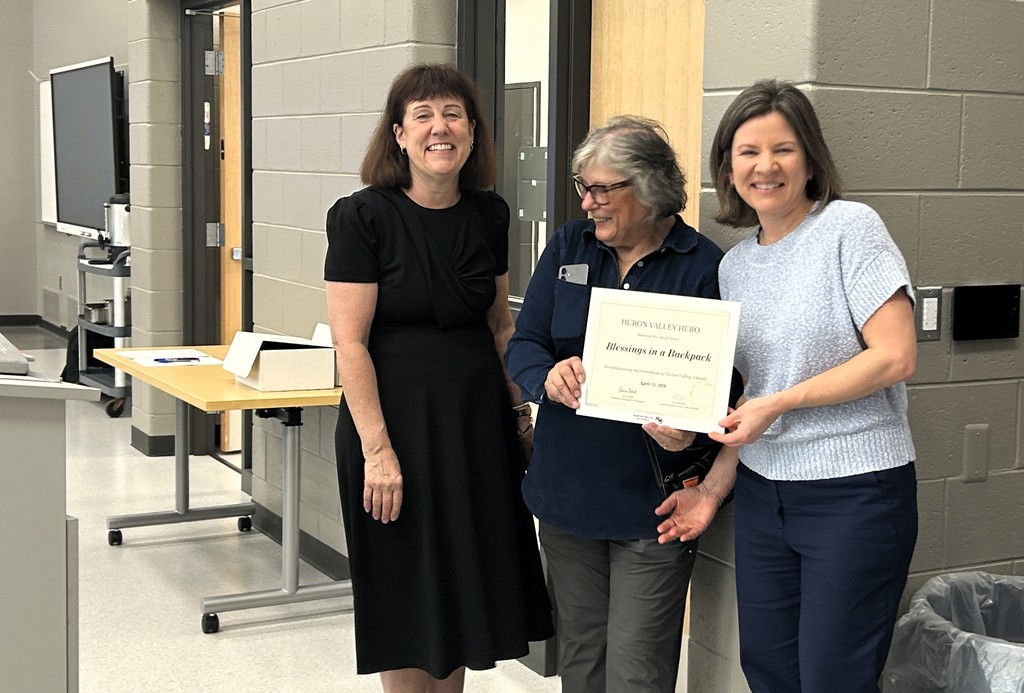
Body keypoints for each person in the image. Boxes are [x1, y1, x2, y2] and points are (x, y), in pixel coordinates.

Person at [656, 79, 919, 693]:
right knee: (770, 670)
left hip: (854, 494)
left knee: (835, 677)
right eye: (748, 152)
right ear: (728, 166)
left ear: (810, 160)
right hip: (764, 495)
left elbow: (896, 356)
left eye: (784, 150)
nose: (765, 166)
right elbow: (755, 402)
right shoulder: (735, 265)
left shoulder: (850, 229)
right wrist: (713, 490)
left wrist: (782, 401)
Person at [323, 63, 553, 693]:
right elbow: (351, 344)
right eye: (422, 115)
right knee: (406, 594)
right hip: (393, 431)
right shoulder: (360, 217)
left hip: (474, 425)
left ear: (473, 134)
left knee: (458, 593)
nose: (439, 128)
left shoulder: (490, 215)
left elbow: (500, 325)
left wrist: (520, 411)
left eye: (453, 114)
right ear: (398, 133)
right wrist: (378, 451)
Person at [506, 115, 734, 693]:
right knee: (581, 659)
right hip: (566, 495)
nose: (589, 203)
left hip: (652, 508)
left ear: (651, 188)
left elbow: (729, 389)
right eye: (583, 187)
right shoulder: (568, 245)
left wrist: (694, 433)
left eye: (604, 189)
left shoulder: (704, 266)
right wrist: (547, 376)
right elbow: (525, 342)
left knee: (638, 670)